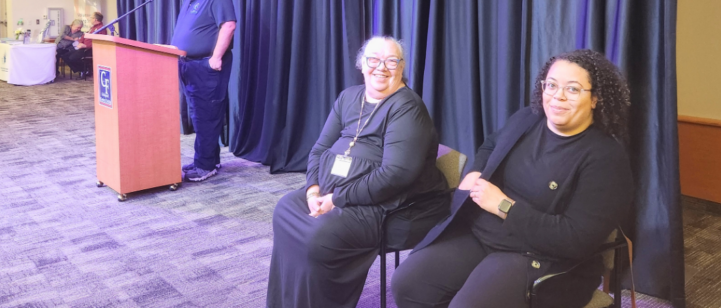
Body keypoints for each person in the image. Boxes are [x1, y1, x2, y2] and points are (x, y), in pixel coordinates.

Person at [391, 50, 634, 308]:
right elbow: (491, 144)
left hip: (542, 256)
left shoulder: (605, 158)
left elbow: (575, 240)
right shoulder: (527, 119)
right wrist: (475, 171)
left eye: (572, 89)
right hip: (482, 234)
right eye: (551, 85)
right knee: (408, 283)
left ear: (595, 98)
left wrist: (503, 206)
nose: (558, 96)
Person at [266, 36, 450, 308]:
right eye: (373, 60)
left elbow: (395, 174)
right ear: (362, 65)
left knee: (319, 237)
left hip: (384, 204)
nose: (381, 67)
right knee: (285, 209)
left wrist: (336, 199)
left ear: (401, 68)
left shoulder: (407, 107)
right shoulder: (349, 97)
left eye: (391, 61)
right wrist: (313, 190)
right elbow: (319, 149)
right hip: (330, 191)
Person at [170, 0, 237, 182]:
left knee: (206, 115)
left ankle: (205, 166)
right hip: (189, 65)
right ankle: (207, 159)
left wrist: (215, 58)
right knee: (199, 115)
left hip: (206, 66)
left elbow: (228, 25)